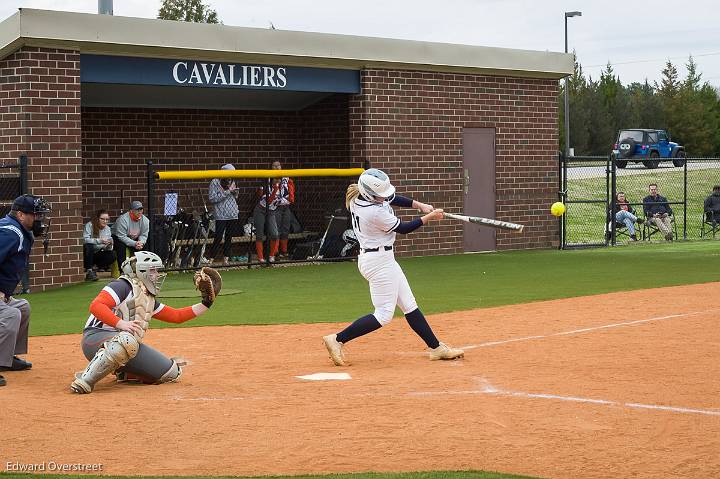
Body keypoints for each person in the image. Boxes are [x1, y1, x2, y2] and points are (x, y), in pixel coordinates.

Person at [322, 169, 464, 366]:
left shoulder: (361, 198)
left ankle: (436, 347)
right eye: (380, 195)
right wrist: (429, 217)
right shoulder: (374, 212)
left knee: (409, 304)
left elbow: (392, 197)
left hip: (381, 258)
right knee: (383, 314)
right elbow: (404, 228)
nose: (384, 198)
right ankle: (337, 339)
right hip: (378, 262)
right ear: (370, 194)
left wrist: (419, 205)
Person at [70, 252, 217, 394]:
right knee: (126, 340)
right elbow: (96, 306)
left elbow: (176, 316)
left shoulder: (146, 297)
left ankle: (124, 372)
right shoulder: (121, 285)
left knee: (170, 372)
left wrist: (206, 303)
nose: (157, 275)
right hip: (95, 339)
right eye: (153, 271)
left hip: (123, 343)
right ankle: (85, 380)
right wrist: (120, 323)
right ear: (141, 271)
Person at [0, 194, 51, 387]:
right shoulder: (9, 233)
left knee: (22, 307)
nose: (40, 220)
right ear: (21, 215)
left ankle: (7, 357)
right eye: (36, 215)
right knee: (10, 315)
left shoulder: (18, 231)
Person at [208, 163, 240, 265]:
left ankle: (226, 258)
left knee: (229, 236)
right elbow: (212, 198)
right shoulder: (215, 182)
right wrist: (227, 192)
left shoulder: (233, 181)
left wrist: (235, 193)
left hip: (232, 213)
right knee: (218, 236)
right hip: (220, 213)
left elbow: (235, 197)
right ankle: (211, 258)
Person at [112, 200, 150, 270]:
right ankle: (122, 271)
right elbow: (121, 237)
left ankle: (143, 269)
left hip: (134, 239)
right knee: (121, 246)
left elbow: (144, 235)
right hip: (119, 238)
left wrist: (140, 243)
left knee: (145, 245)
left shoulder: (145, 221)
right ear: (131, 211)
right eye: (137, 210)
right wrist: (134, 243)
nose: (139, 211)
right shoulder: (122, 219)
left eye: (141, 209)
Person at [252, 170, 280, 263]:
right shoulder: (266, 186)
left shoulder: (283, 188)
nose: (277, 181)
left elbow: (289, 199)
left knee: (275, 234)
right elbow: (269, 201)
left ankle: (271, 255)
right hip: (261, 210)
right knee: (259, 234)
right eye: (275, 179)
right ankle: (260, 258)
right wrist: (275, 189)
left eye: (279, 179)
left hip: (271, 212)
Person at [271, 160, 297, 259]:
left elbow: (290, 188)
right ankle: (275, 251)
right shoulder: (269, 177)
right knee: (276, 229)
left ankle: (284, 251)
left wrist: (291, 198)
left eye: (278, 165)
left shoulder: (286, 176)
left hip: (286, 206)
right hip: (276, 207)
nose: (277, 167)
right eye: (274, 166)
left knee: (285, 229)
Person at [83, 209, 116, 281]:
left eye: (107, 219)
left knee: (112, 254)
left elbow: (106, 248)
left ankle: (94, 269)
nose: (105, 221)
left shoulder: (107, 229)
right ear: (97, 219)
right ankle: (89, 271)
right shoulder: (90, 225)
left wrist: (109, 245)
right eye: (102, 219)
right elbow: (85, 240)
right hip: (86, 254)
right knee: (89, 245)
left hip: (97, 253)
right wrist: (99, 241)